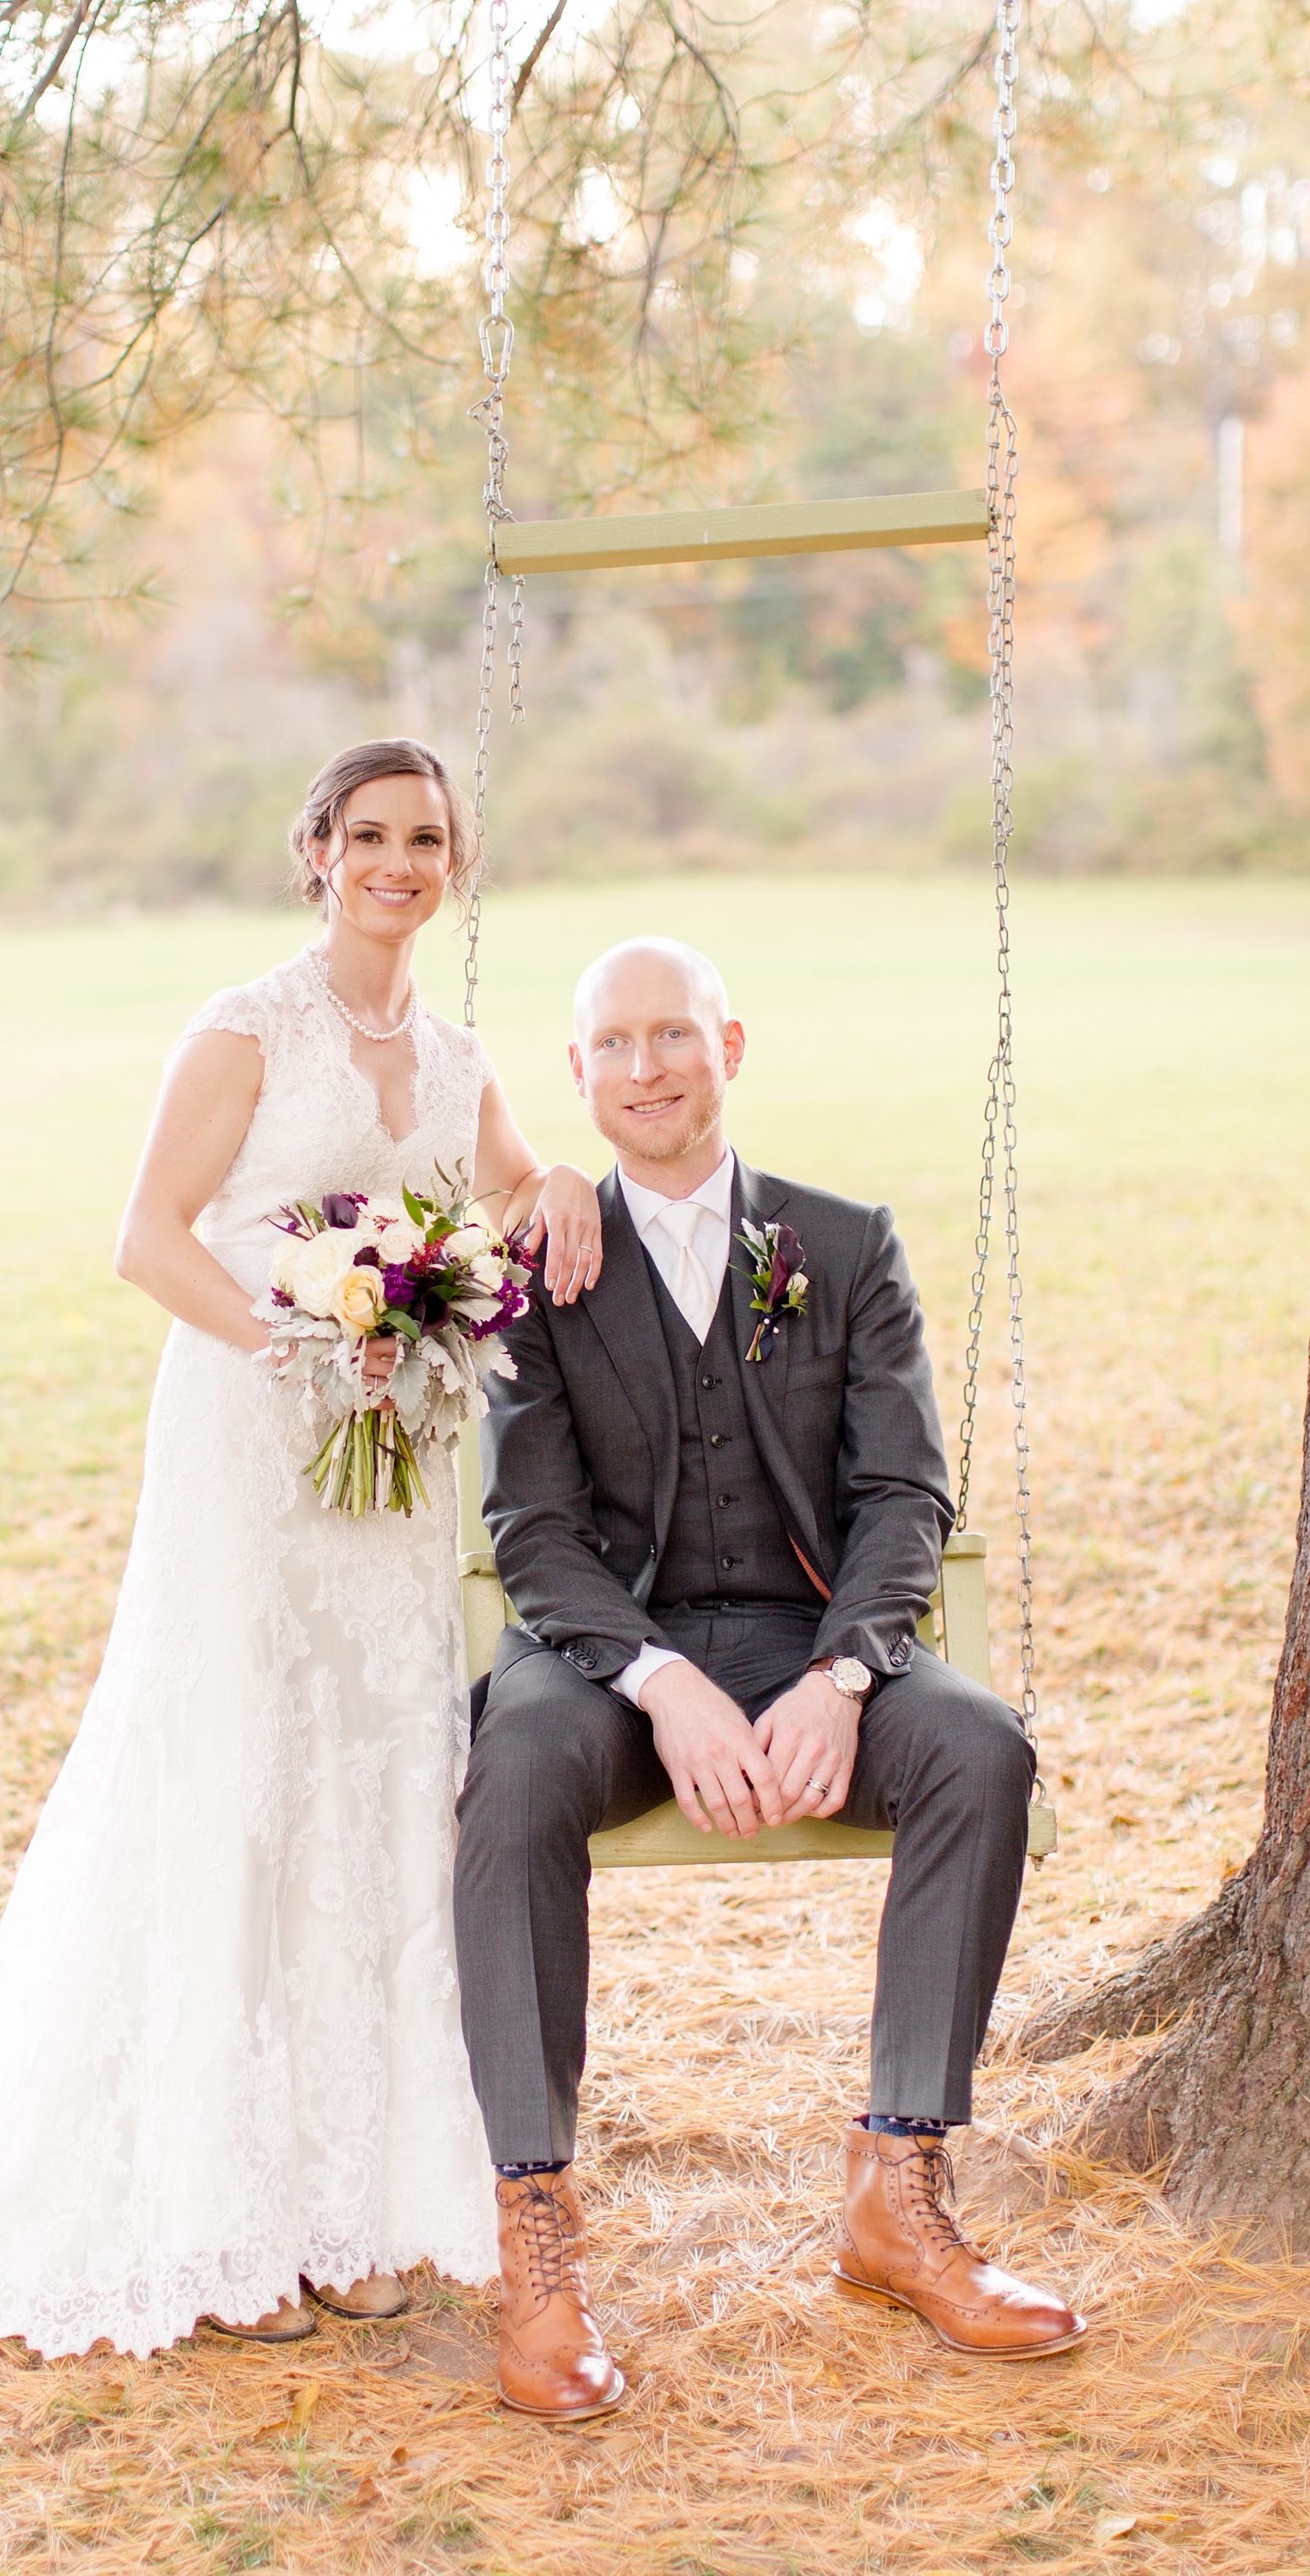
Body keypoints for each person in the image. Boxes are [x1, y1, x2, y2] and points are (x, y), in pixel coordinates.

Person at [0, 738, 603, 2354]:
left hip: (396, 1475)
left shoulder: (462, 1045)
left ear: (456, 862)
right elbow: (146, 1236)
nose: (398, 863)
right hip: (254, 1445)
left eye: (426, 838)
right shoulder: (245, 1030)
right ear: (316, 853)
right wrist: (302, 1341)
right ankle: (225, 2215)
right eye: (368, 836)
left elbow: (504, 1190)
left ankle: (351, 2202)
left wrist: (555, 1170)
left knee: (373, 1793)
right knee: (248, 1779)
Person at [452, 936, 1087, 2422]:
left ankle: (900, 2190)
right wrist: (662, 1681)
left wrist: (847, 1677)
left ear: (730, 1049)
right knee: (518, 1767)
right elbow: (533, 1534)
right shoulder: (535, 1273)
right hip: (609, 1660)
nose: (649, 1068)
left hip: (811, 1650)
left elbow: (905, 1499)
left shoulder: (843, 1244)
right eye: (616, 1045)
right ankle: (534, 2231)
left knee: (979, 1745)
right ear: (579, 1076)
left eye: (676, 1035)